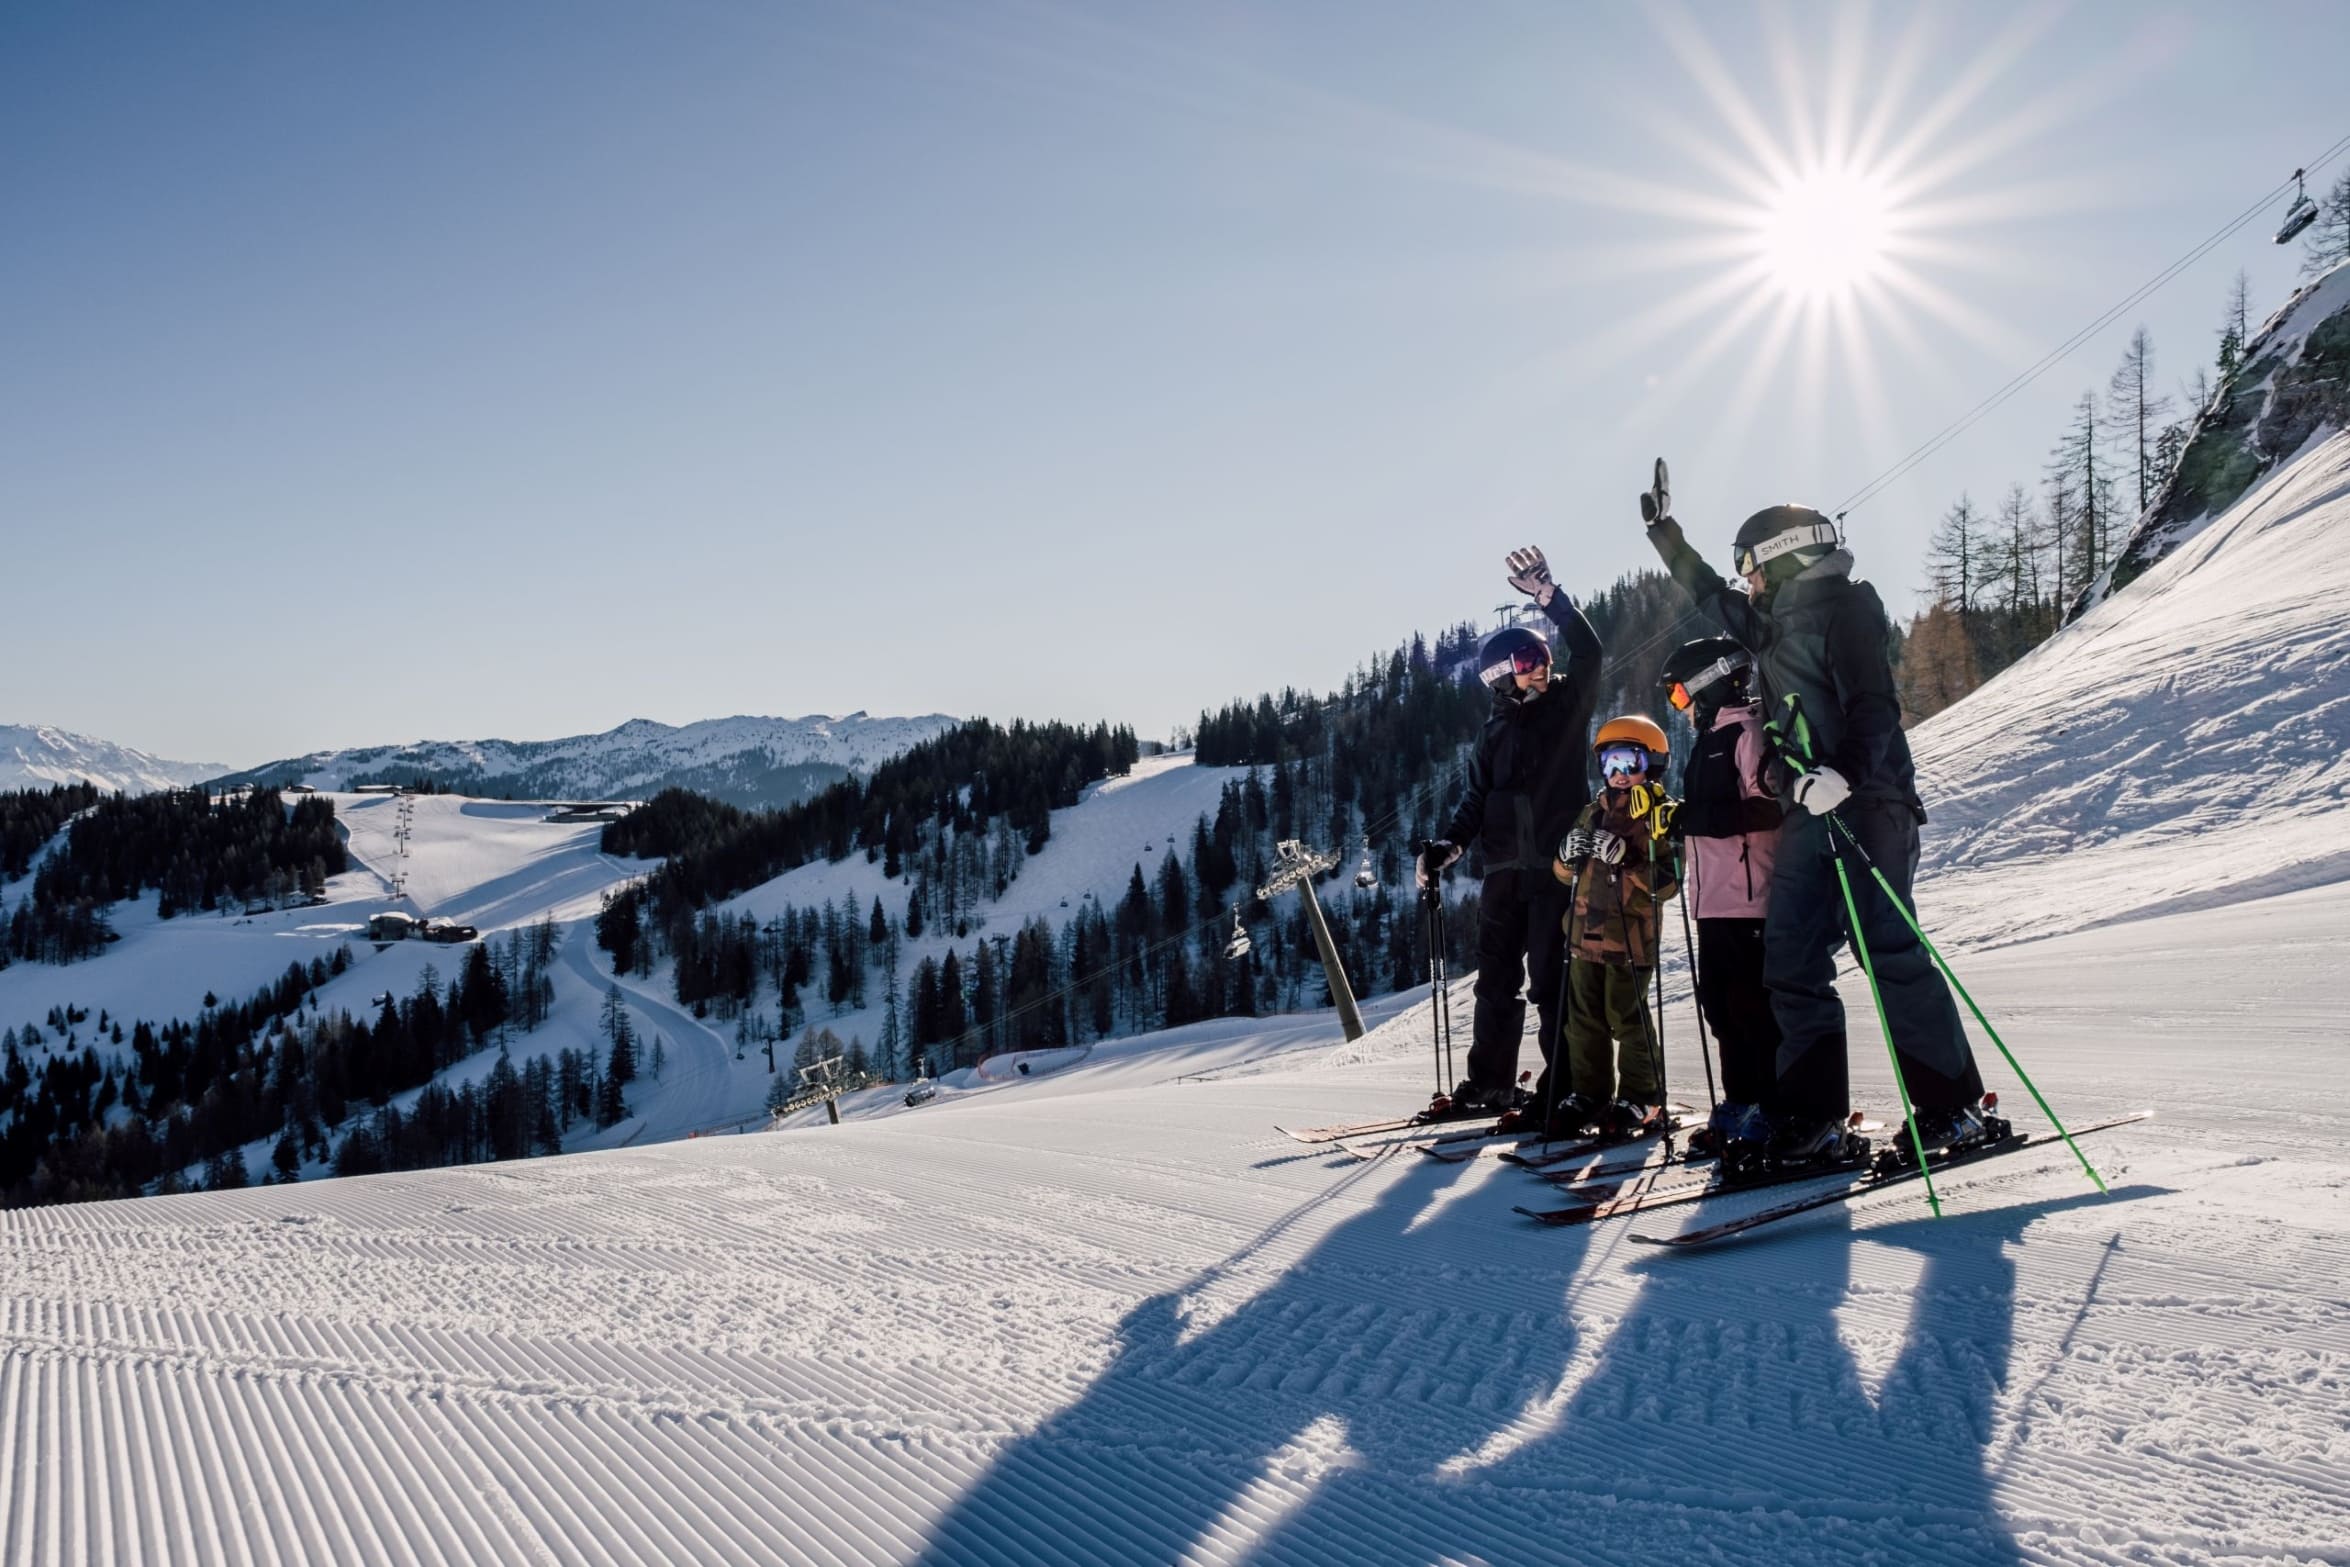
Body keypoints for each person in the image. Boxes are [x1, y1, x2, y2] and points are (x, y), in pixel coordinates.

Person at [1639, 469, 1990, 1161]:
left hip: (1869, 799)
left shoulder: (1847, 609)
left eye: (1750, 565)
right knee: (1790, 956)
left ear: (1784, 556)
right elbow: (1705, 591)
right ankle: (1814, 1116)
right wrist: (1662, 532)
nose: (1744, 580)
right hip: (1807, 811)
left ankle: (1952, 1108)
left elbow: (1875, 706)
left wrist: (1845, 773)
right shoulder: (1766, 626)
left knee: (1886, 948)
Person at [1415, 546, 1603, 1120]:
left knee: (1551, 981)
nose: (1541, 666)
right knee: (1495, 983)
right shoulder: (1492, 734)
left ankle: (1564, 1088)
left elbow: (1591, 652)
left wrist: (1550, 597)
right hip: (1502, 874)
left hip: (1555, 869)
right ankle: (1491, 1083)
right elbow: (1476, 799)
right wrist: (1449, 846)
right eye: (1527, 661)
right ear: (1500, 675)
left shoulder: (1566, 706)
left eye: (1542, 656)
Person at [1657, 638, 1784, 1156]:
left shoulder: (1748, 732)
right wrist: (1679, 822)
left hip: (1750, 900)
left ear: (1708, 682)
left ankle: (1772, 1107)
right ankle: (1740, 1100)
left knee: (1752, 1010)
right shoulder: (1711, 737)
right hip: (1712, 901)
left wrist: (1694, 818)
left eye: (1679, 695)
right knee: (1720, 1008)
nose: (1679, 706)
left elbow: (1769, 809)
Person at [1546, 715, 1678, 1138]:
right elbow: (1564, 876)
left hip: (1630, 940)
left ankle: (1643, 1096)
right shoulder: (1592, 813)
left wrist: (1630, 859)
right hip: (1583, 936)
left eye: (1630, 762)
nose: (1619, 774)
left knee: (1627, 1019)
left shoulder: (1659, 816)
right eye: (1610, 763)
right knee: (1583, 1021)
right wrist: (1565, 857)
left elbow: (1668, 884)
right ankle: (1590, 1094)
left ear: (1652, 764)